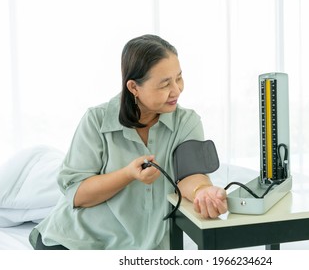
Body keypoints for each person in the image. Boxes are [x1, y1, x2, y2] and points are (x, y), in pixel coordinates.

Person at [29, 34, 228, 250]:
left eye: (178, 78)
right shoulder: (96, 120)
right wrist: (128, 175)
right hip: (75, 241)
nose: (177, 90)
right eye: (164, 84)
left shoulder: (186, 122)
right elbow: (77, 195)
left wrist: (202, 191)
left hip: (142, 246)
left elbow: (190, 174)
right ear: (134, 87)